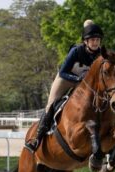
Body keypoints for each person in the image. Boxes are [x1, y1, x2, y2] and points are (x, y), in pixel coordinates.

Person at [25, 19, 104, 153]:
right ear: (86, 41)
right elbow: (63, 72)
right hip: (66, 78)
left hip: (84, 83)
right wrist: (77, 78)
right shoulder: (76, 51)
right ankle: (37, 138)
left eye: (97, 40)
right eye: (92, 40)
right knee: (51, 104)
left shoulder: (101, 54)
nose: (95, 42)